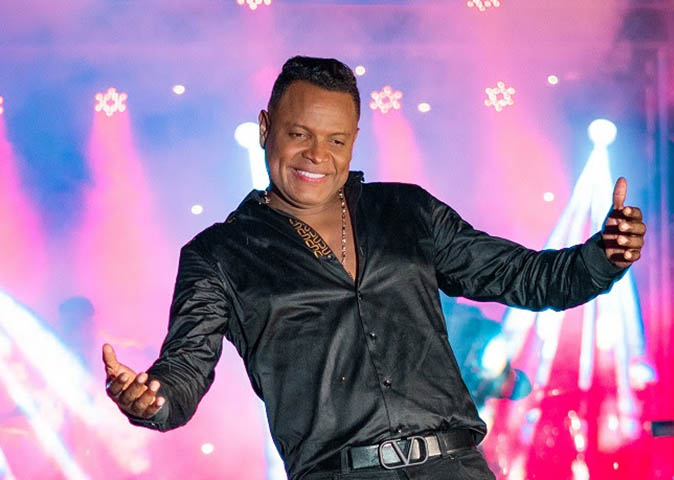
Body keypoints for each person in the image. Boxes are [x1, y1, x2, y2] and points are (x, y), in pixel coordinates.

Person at [102, 56, 646, 480]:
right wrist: (152, 399)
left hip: (454, 467)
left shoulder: (407, 211)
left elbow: (526, 277)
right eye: (299, 134)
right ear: (266, 128)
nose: (317, 154)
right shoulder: (218, 254)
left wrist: (605, 255)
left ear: (353, 141)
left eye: (335, 140)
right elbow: (184, 371)